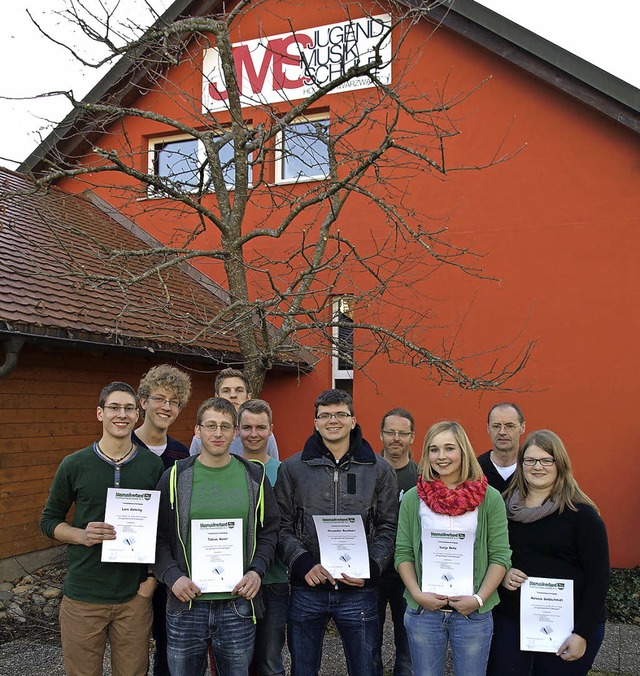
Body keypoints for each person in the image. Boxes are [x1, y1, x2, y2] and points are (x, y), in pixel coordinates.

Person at [39, 382, 164, 676]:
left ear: (137, 415)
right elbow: (48, 521)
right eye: (114, 408)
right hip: (84, 595)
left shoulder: (152, 466)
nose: (121, 415)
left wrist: (149, 583)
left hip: (133, 596)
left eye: (129, 408)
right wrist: (80, 535)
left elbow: (163, 530)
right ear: (100, 413)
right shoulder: (75, 464)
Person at [275, 389, 398, 676]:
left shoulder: (379, 470)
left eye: (341, 414)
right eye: (325, 415)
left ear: (353, 420)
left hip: (359, 590)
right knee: (303, 670)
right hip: (308, 589)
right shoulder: (292, 468)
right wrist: (303, 562)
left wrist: (371, 567)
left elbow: (388, 527)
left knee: (366, 669)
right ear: (315, 422)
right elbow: (281, 524)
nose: (333, 420)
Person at [154, 397, 279, 676]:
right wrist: (173, 577)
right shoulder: (174, 477)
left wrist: (257, 571)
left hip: (237, 605)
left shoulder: (254, 477)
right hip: (186, 604)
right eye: (210, 426)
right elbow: (158, 537)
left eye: (225, 426)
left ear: (236, 433)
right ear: (197, 431)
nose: (218, 433)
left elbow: (269, 532)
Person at [487, 430, 609, 676]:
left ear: (560, 464)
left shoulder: (582, 515)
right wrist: (502, 573)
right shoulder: (502, 507)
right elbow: (489, 554)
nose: (537, 467)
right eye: (530, 460)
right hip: (512, 622)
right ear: (520, 465)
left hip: (568, 627)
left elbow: (599, 579)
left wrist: (581, 634)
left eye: (546, 460)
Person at [395, 420, 511, 676]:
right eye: (434, 450)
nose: (441, 456)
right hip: (424, 611)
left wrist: (478, 599)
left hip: (472, 613)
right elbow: (403, 553)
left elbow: (501, 557)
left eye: (449, 448)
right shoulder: (414, 498)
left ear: (463, 451)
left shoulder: (489, 498)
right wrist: (416, 594)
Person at [132, 364, 192, 676]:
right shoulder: (124, 446)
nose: (166, 407)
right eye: (159, 398)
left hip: (170, 565)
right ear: (143, 401)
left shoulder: (181, 454)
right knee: (132, 647)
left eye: (174, 401)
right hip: (131, 567)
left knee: (169, 645)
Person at [238, 399, 289, 676]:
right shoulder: (228, 469)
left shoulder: (284, 472)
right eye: (247, 427)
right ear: (237, 430)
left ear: (271, 430)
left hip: (274, 580)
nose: (253, 434)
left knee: (270, 663)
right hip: (233, 580)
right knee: (237, 662)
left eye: (260, 427)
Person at [377, 408, 418, 676]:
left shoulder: (423, 477)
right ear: (381, 434)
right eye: (391, 432)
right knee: (369, 643)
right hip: (374, 571)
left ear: (412, 437)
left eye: (402, 433)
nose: (396, 438)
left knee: (409, 645)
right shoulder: (368, 471)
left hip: (409, 573)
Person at [189, 368, 279, 460]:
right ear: (217, 397)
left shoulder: (263, 436)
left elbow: (273, 468)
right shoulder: (202, 438)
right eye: (226, 391)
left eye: (239, 390)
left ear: (248, 397)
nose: (233, 395)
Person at [478, 403, 526, 492]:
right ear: (488, 428)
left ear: (522, 427)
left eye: (510, 426)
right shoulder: (475, 469)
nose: (502, 432)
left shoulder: (530, 467)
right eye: (496, 426)